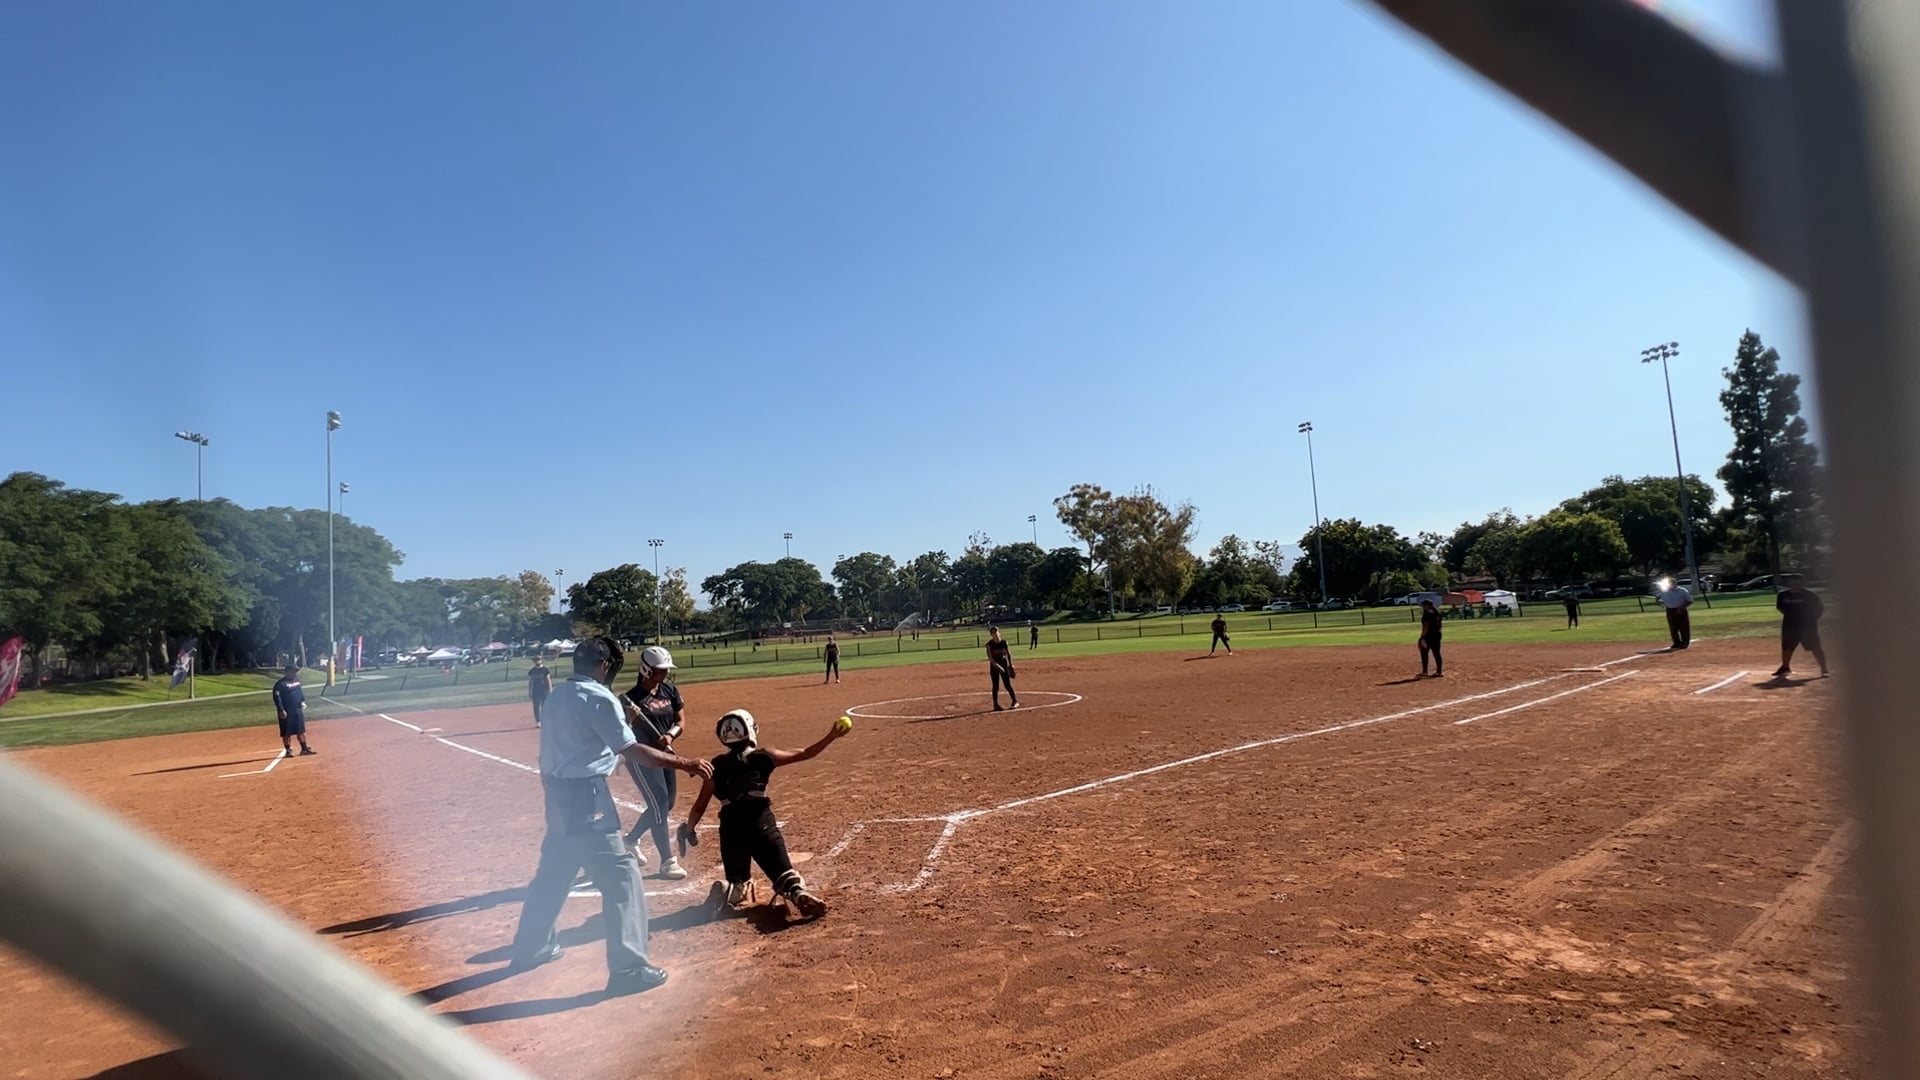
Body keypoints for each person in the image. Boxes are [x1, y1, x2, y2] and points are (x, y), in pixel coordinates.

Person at [506, 636, 711, 996]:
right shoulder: (599, 697)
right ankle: (629, 968)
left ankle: (531, 947)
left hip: (556, 793)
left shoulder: (556, 696)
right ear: (603, 666)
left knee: (553, 873)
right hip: (587, 796)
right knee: (622, 877)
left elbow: (573, 747)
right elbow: (632, 750)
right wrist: (685, 763)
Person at [678, 709, 839, 919]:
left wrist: (689, 828)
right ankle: (797, 892)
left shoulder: (715, 766)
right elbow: (806, 752)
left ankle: (727, 889)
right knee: (785, 875)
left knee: (739, 883)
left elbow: (700, 805)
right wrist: (831, 736)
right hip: (760, 821)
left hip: (730, 828)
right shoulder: (764, 757)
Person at [620, 646, 689, 879]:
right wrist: (628, 719)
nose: (665, 674)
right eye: (661, 670)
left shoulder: (669, 691)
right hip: (642, 758)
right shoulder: (630, 699)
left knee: (667, 804)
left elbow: (680, 720)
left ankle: (630, 840)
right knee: (659, 802)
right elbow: (621, 732)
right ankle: (667, 862)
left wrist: (670, 735)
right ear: (646, 670)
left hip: (665, 754)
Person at [1774, 577, 1830, 678]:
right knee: (1787, 647)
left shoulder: (1810, 595)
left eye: (1797, 582)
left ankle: (1824, 668)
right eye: (1792, 582)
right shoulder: (1782, 595)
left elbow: (1819, 608)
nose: (1794, 584)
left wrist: (1812, 619)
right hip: (1789, 625)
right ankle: (1785, 667)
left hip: (1807, 626)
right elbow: (1780, 608)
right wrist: (1791, 617)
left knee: (1815, 647)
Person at [272, 664, 315, 757]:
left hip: (297, 709)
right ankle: (288, 750)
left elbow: (300, 692)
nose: (295, 673)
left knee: (300, 730)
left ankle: (304, 749)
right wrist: (281, 709)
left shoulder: (296, 681)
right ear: (287, 672)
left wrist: (302, 701)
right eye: (293, 671)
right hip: (287, 711)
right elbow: (277, 698)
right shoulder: (280, 684)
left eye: (295, 671)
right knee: (286, 732)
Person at [986, 625, 1018, 710]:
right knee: (995, 686)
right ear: (991, 635)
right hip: (994, 666)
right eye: (993, 633)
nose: (995, 634)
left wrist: (1011, 664)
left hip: (1003, 663)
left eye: (996, 632)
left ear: (999, 633)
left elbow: (1008, 654)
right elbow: (991, 659)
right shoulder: (989, 645)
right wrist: (998, 667)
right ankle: (996, 705)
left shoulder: (1004, 642)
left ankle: (1015, 701)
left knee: (1007, 685)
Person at [1659, 580, 1693, 649]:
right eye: (1669, 584)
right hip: (1670, 610)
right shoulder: (1665, 591)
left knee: (1684, 627)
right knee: (1673, 628)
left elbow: (1690, 601)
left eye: (1672, 584)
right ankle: (1676, 642)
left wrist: (1683, 607)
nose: (1671, 585)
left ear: (1675, 584)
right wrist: (1659, 602)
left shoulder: (1682, 591)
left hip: (1681, 609)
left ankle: (1685, 642)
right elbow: (1658, 597)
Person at [1418, 599, 1444, 678]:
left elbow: (1426, 626)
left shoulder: (1427, 614)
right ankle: (1439, 671)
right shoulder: (1437, 613)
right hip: (1437, 635)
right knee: (1436, 653)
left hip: (1428, 636)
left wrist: (1422, 637)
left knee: (1424, 653)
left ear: (1427, 606)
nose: (1423, 607)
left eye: (1423, 605)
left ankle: (1425, 672)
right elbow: (1440, 625)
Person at [527, 656, 553, 726]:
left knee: (545, 706)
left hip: (544, 690)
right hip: (535, 690)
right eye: (535, 660)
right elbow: (530, 681)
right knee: (536, 706)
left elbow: (548, 680)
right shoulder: (532, 671)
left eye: (538, 660)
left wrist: (550, 690)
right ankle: (538, 721)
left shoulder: (545, 670)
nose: (537, 661)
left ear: (541, 660)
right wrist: (529, 691)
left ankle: (545, 720)